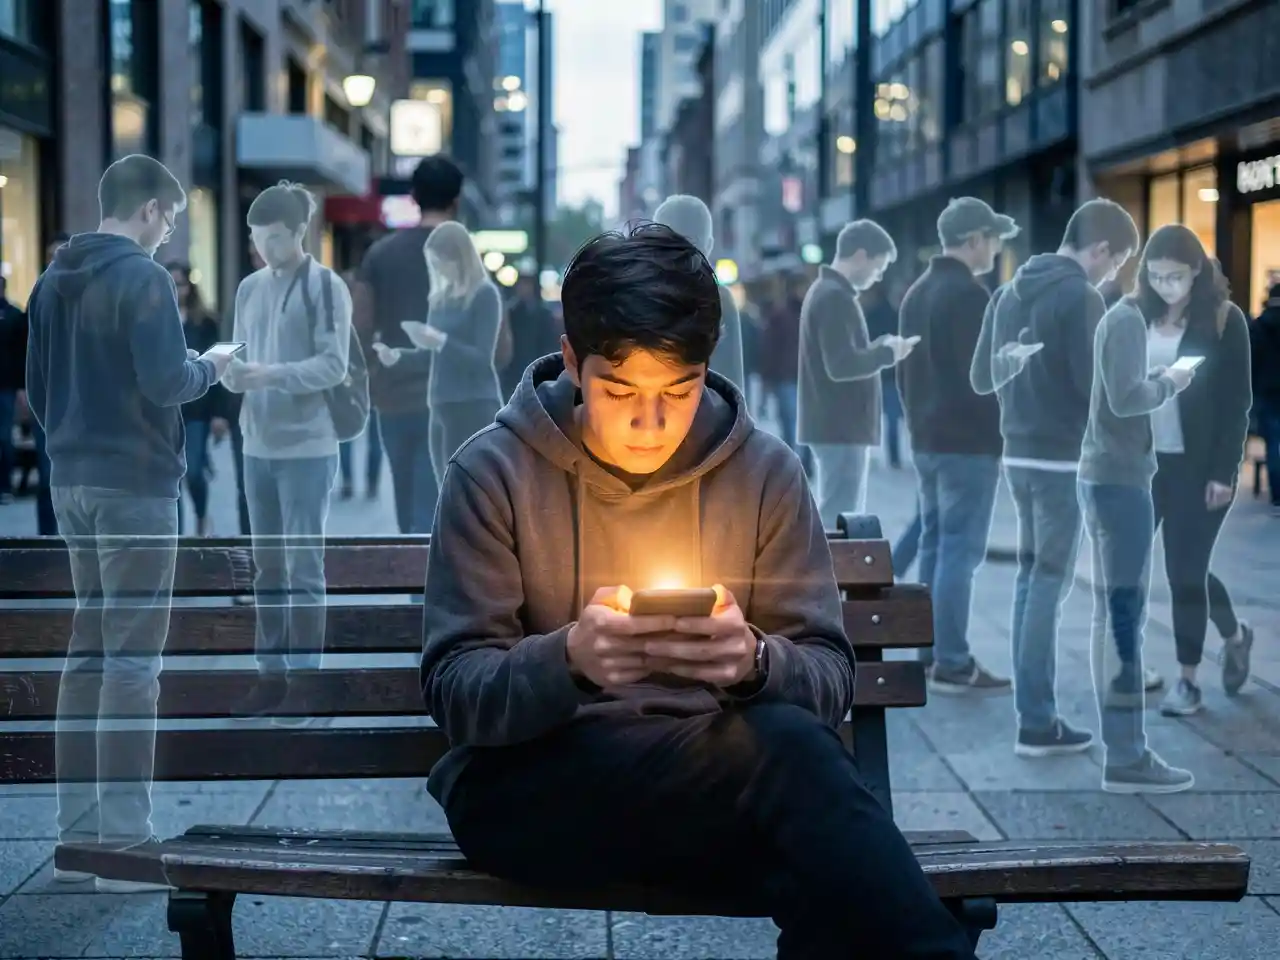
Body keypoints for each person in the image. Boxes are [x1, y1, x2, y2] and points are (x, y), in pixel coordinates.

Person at [419, 222, 980, 959]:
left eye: (676, 393)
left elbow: (828, 675)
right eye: (620, 391)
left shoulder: (765, 473)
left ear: (707, 366)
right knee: (818, 823)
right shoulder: (492, 472)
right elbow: (456, 688)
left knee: (813, 835)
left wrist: (752, 663)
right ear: (571, 363)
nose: (650, 423)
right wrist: (571, 661)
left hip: (725, 783)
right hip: (537, 790)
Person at [26, 155, 231, 891]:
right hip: (138, 488)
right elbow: (167, 381)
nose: (166, 233)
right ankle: (125, 843)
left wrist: (67, 449)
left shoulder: (53, 280)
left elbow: (37, 388)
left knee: (87, 651)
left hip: (74, 483)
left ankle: (76, 839)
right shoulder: (141, 277)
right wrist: (213, 364)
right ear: (147, 209)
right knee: (132, 662)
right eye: (169, 219)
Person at [970, 198, 1140, 757]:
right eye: (1114, 264)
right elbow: (1096, 391)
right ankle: (1037, 722)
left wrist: (1015, 368)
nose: (1110, 274)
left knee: (1031, 579)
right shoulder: (1080, 297)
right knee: (1046, 582)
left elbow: (980, 377)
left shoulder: (1007, 291)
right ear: (1099, 249)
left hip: (1016, 454)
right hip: (1062, 458)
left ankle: (1034, 714)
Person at [223, 181, 351, 718]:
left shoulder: (326, 287)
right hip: (257, 444)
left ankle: (306, 679)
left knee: (303, 567)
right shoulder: (250, 288)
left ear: (299, 233)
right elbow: (235, 356)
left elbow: (334, 365)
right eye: (257, 238)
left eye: (274, 238)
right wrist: (227, 372)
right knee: (266, 568)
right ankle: (269, 674)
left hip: (308, 446)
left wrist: (268, 375)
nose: (264, 248)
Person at [1117, 227, 1255, 717]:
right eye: (1155, 277)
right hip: (1145, 465)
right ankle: (1234, 635)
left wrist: (1224, 471)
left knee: (1184, 572)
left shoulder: (1223, 319)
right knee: (1132, 567)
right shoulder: (1135, 315)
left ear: (1196, 271)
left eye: (1174, 276)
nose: (1165, 285)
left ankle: (1188, 680)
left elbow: (1238, 402)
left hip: (1199, 468)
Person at [1078, 238, 1197, 794]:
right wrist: (1169, 383)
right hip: (1119, 478)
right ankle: (1126, 754)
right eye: (1168, 276)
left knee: (1113, 614)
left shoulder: (1121, 319)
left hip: (1108, 474)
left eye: (1185, 278)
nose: (1175, 289)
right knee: (1125, 617)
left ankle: (1120, 745)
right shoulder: (1126, 321)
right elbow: (1125, 399)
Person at [897, 197, 1019, 693]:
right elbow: (979, 380)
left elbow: (905, 376)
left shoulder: (916, 293)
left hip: (928, 439)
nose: (995, 248)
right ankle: (952, 660)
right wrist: (1010, 364)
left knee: (933, 544)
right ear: (974, 240)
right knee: (959, 553)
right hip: (966, 444)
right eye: (992, 239)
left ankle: (929, 652)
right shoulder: (970, 295)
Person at [352, 157, 463, 533]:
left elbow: (359, 327)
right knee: (434, 507)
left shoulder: (381, 254)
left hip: (395, 399)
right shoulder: (465, 259)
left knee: (407, 501)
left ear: (413, 197)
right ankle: (425, 588)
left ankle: (417, 580)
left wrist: (374, 375)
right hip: (448, 401)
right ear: (457, 200)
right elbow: (498, 346)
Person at [797, 220, 915, 523]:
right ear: (861, 256)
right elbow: (841, 366)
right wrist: (888, 353)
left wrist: (878, 347)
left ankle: (823, 568)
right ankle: (821, 570)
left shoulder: (827, 292)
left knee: (838, 508)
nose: (877, 277)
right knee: (839, 513)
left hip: (834, 423)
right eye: (878, 267)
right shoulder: (836, 297)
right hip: (840, 424)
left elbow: (841, 357)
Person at [381, 221, 502, 484]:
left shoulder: (484, 295)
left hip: (473, 404)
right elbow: (431, 357)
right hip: (440, 404)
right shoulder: (440, 299)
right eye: (433, 263)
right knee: (445, 488)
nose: (437, 269)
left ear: (459, 258)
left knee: (473, 488)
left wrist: (442, 341)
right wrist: (398, 357)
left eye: (440, 262)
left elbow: (482, 360)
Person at [653, 194, 746, 393]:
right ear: (709, 245)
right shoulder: (721, 299)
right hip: (707, 416)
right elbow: (733, 383)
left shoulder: (638, 297)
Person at [167, 262, 231, 535]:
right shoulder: (156, 319)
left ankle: (203, 516)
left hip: (197, 410)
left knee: (193, 471)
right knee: (171, 477)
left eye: (180, 284)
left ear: (189, 287)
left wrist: (219, 414)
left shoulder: (204, 322)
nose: (176, 290)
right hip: (167, 410)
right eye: (171, 284)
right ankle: (177, 535)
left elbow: (216, 368)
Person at [337, 269, 382, 500]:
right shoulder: (375, 318)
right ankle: (371, 482)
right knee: (375, 437)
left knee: (348, 435)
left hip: (348, 384)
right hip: (373, 385)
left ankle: (348, 482)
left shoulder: (338, 320)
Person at [861, 276, 906, 469]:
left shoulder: (868, 316)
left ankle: (867, 455)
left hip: (874, 375)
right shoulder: (895, 315)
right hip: (892, 374)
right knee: (893, 418)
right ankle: (894, 456)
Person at [499, 273, 560, 400]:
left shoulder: (543, 314)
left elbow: (549, 342)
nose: (522, 289)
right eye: (520, 285)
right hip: (514, 369)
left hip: (536, 367)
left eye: (526, 285)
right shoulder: (511, 313)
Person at [1250, 283, 1280, 516]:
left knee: (1273, 444)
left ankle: (1277, 495)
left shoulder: (1259, 325)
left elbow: (1252, 361)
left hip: (1267, 391)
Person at [0, 275, 25, 504]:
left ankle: (5, 486)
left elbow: (20, 355)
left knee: (4, 437)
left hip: (6, 385)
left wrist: (21, 387)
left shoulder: (14, 316)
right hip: (8, 385)